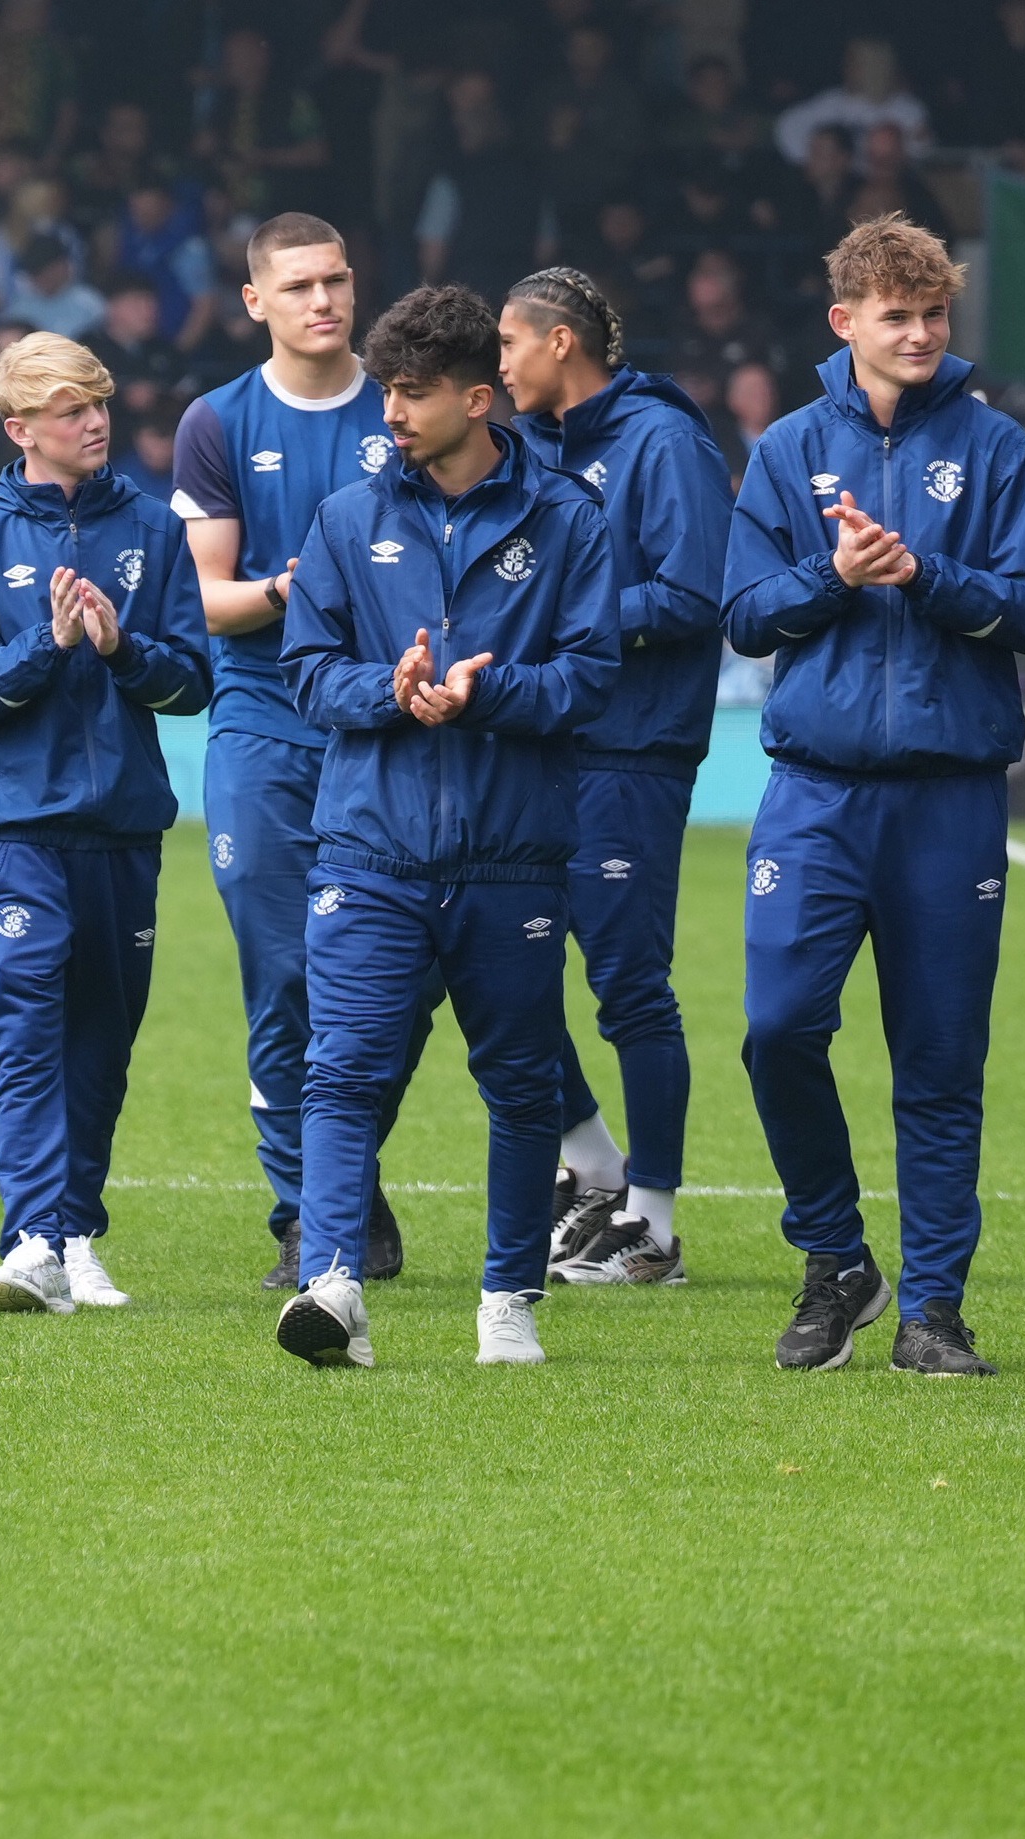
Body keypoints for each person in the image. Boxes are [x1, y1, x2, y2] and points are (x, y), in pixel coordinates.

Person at [720, 214, 1025, 1377]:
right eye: (894, 316)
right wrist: (833, 575)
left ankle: (935, 1311)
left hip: (949, 798)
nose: (917, 334)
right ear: (845, 322)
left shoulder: (997, 447)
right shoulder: (785, 451)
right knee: (775, 1032)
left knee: (938, 1059)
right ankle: (833, 1259)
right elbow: (745, 613)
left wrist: (923, 574)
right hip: (814, 793)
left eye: (931, 315)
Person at [270, 285, 617, 1372]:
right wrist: (393, 687)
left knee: (519, 1083)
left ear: (479, 398)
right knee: (340, 1070)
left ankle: (507, 1298)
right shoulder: (345, 516)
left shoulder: (567, 519)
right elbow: (306, 673)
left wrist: (489, 691)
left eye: (411, 393)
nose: (389, 412)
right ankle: (333, 1281)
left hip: (510, 853)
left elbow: (593, 678)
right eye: (384, 390)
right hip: (369, 849)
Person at [0, 333, 210, 1318]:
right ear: (20, 429)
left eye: (98, 403)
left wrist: (119, 645)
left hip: (125, 830)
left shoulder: (152, 530)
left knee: (103, 1037)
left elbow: (192, 682)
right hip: (15, 828)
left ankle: (74, 1235)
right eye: (69, 409)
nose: (94, 421)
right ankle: (28, 1241)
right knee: (24, 1019)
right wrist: (46, 646)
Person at [169, 213, 402, 1290]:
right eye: (300, 284)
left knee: (392, 986)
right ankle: (309, 1216)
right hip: (261, 723)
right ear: (256, 301)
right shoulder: (218, 421)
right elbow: (204, 601)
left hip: (382, 724)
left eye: (338, 279)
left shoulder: (403, 405)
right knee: (283, 981)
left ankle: (346, 1184)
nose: (325, 299)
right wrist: (290, 586)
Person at [500, 267, 732, 1290]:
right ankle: (591, 1159)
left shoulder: (663, 440)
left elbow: (692, 594)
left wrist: (565, 616)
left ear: (560, 344)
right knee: (496, 967)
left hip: (631, 748)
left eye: (509, 342)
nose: (496, 364)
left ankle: (655, 1221)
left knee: (627, 982)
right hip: (540, 742)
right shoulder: (530, 447)